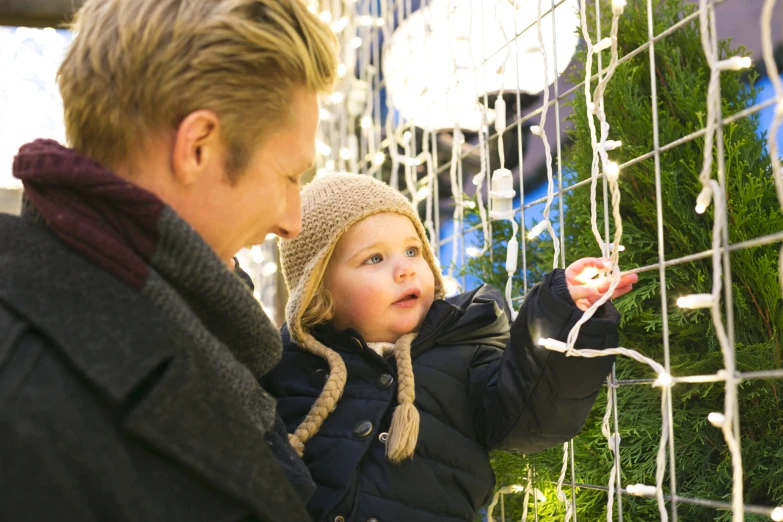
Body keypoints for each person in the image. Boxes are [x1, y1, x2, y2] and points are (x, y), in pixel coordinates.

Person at [0, 1, 337, 520]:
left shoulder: (167, 323)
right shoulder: (29, 399)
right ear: (198, 146)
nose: (292, 221)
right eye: (290, 176)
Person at [263, 173, 639, 522]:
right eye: (374, 258)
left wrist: (563, 312)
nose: (406, 269)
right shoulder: (284, 364)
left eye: (413, 251)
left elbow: (532, 418)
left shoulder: (464, 347)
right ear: (319, 295)